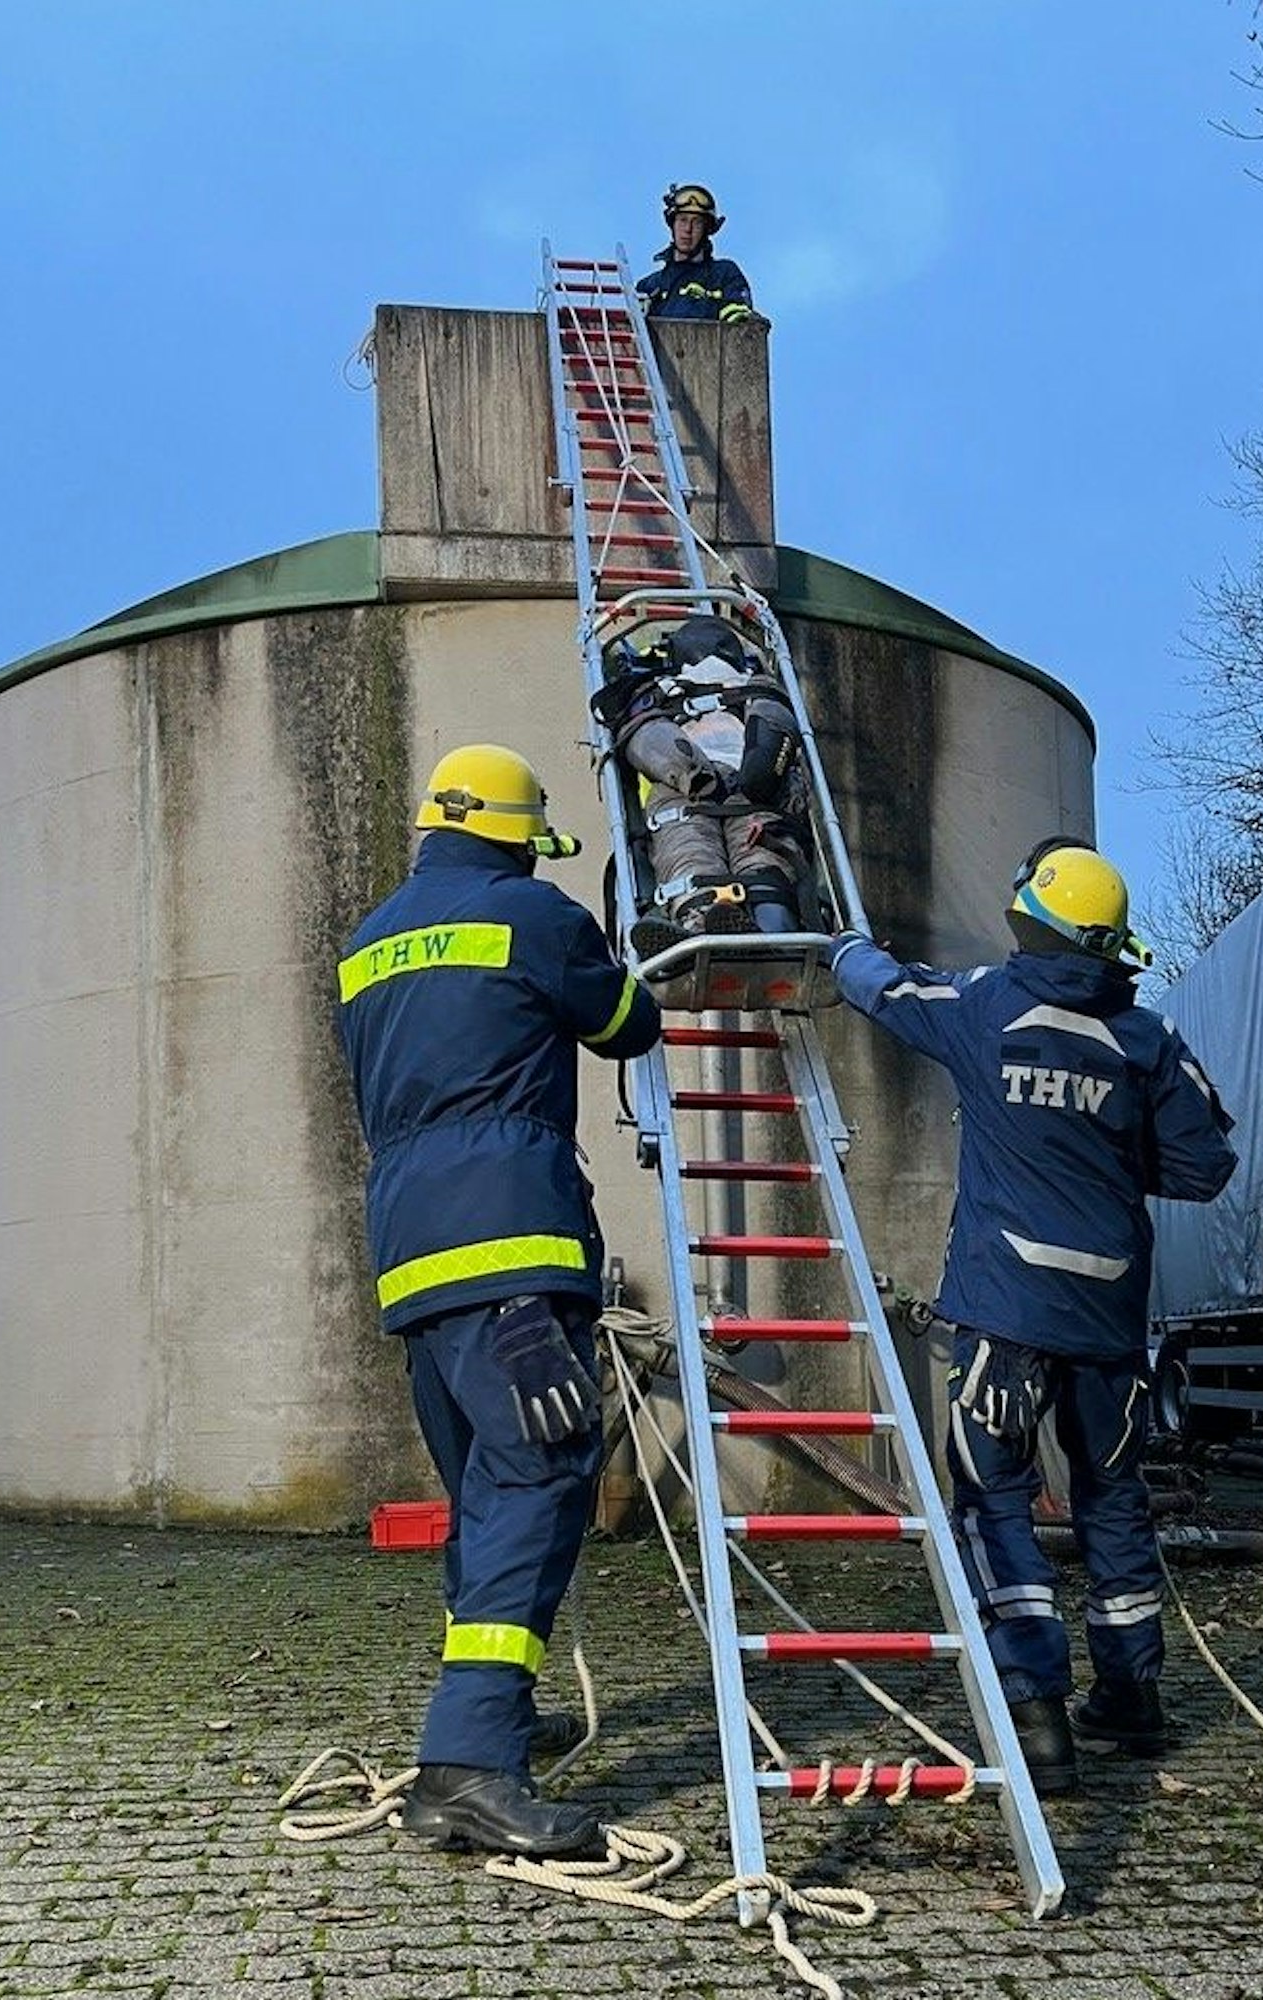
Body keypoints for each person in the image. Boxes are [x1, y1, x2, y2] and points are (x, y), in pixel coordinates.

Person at [829, 841, 1236, 1796]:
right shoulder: (1149, 1041)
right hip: (1108, 1322)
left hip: (1003, 1317)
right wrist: (1101, 1158)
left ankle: (1036, 1711)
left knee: (994, 1498)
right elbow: (1205, 1166)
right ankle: (1132, 1699)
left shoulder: (983, 1006)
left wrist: (842, 943)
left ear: (1029, 922)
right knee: (1113, 1500)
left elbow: (885, 993)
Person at [334, 743, 662, 1856]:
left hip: (411, 1255)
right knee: (535, 1478)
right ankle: (467, 1763)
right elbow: (626, 1022)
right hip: (513, 1246)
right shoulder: (535, 913)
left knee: (484, 1490)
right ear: (521, 834)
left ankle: (494, 1718)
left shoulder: (365, 942)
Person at [592, 613, 814, 956]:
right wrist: (759, 775)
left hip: (687, 790)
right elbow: (777, 725)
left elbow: (642, 735)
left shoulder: (657, 691)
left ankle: (696, 927)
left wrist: (689, 772)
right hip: (752, 788)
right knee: (760, 857)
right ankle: (770, 927)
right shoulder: (758, 685)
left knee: (688, 854)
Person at [636, 182, 758, 323]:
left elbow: (738, 327)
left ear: (707, 230)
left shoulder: (724, 275)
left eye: (697, 222)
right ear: (672, 225)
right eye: (682, 220)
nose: (688, 229)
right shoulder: (650, 286)